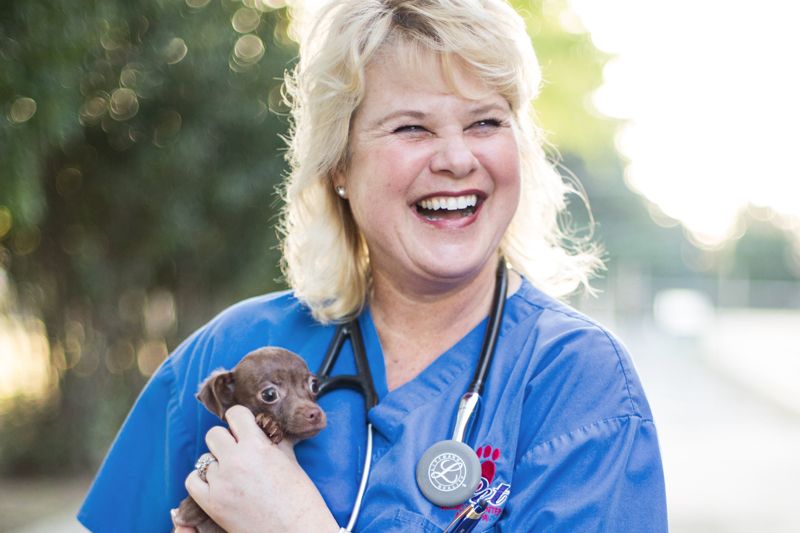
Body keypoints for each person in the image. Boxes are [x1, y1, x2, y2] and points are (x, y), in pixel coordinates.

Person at [78, 0, 667, 531]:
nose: (458, 159)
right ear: (338, 166)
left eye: (485, 121)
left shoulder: (577, 383)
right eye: (412, 127)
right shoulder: (236, 350)